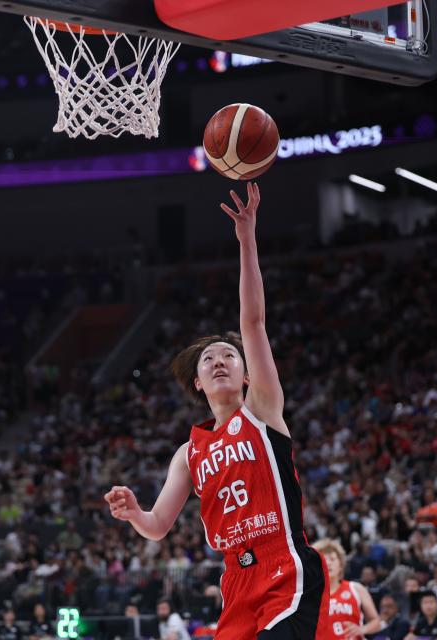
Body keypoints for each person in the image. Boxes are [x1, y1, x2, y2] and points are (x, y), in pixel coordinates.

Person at [104, 182, 328, 639]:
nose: (220, 361)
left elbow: (254, 322)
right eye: (209, 359)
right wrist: (134, 513)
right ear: (197, 382)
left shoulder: (262, 410)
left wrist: (247, 240)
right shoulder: (189, 453)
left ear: (246, 375)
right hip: (236, 580)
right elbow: (158, 525)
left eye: (230, 356)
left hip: (283, 566)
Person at [313, 540, 383, 639]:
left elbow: (377, 622)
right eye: (323, 559)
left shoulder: (355, 588)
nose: (328, 563)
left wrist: (362, 629)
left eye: (332, 559)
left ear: (341, 565)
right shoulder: (308, 596)